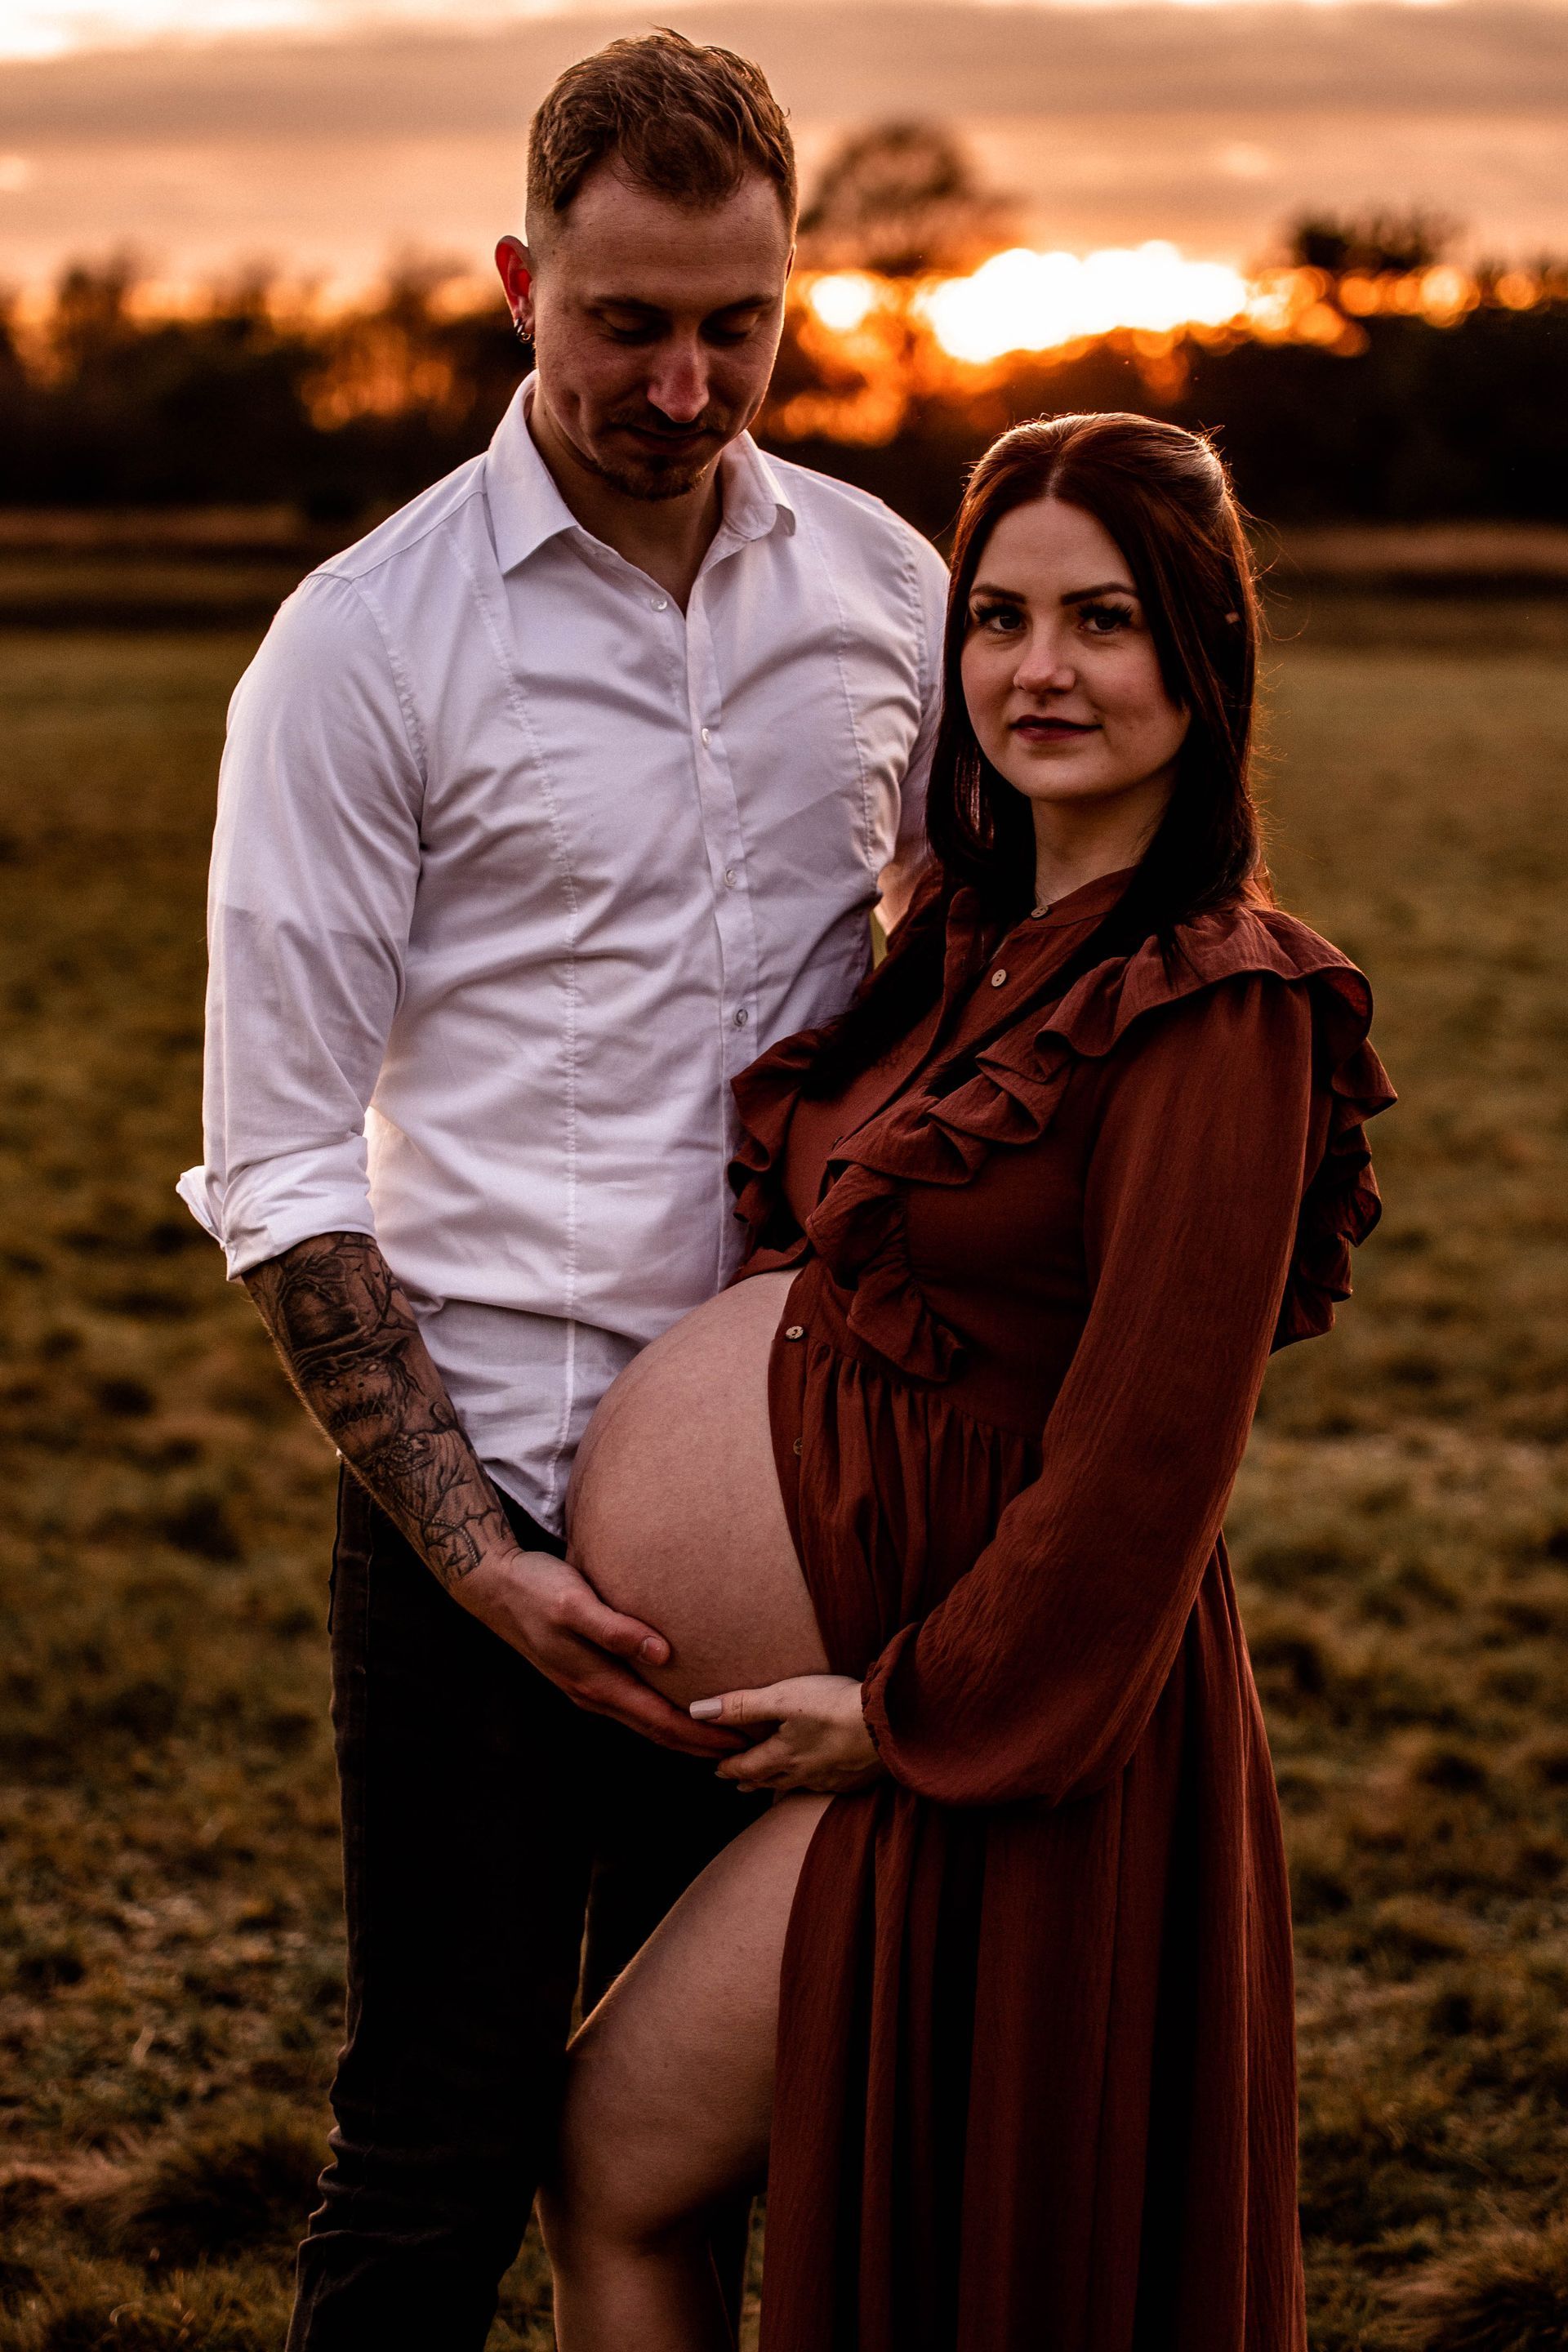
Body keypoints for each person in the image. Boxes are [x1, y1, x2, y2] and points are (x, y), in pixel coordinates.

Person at [176, 31, 946, 2349]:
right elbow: (282, 1162)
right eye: (626, 324)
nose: (686, 385)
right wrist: (480, 1565)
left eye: (739, 324)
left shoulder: (895, 596)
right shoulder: (362, 644)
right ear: (521, 286)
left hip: (801, 1517)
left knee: (742, 2144)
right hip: (486, 1519)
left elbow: (970, 998)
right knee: (435, 2143)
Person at [545, 410, 1396, 2350]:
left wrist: (910, 1716)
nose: (1039, 670)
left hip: (1007, 1736)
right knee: (629, 2173)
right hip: (896, 1711)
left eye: (1105, 619)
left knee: (658, 2176)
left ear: (1204, 652)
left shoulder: (1223, 999)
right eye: (999, 618)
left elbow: (1147, 1460)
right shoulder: (962, 941)